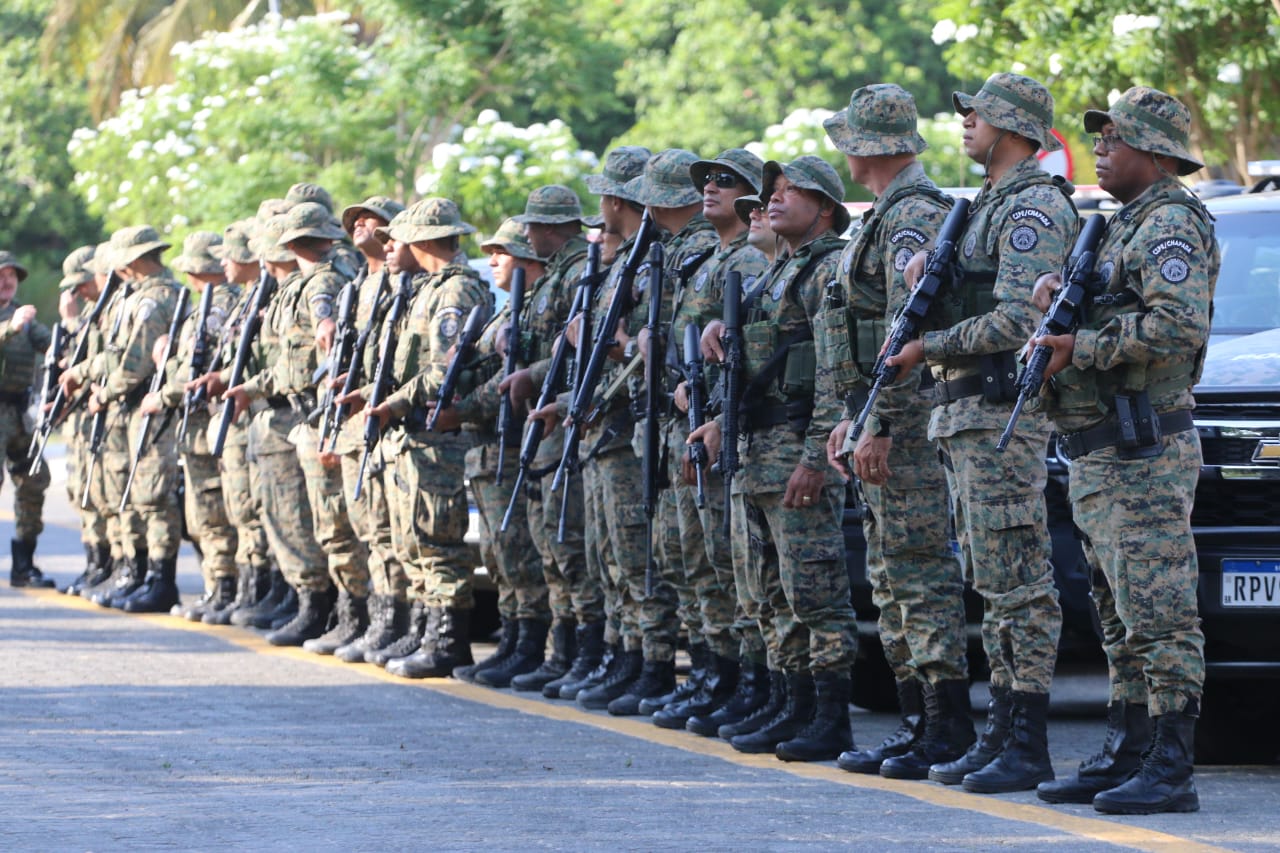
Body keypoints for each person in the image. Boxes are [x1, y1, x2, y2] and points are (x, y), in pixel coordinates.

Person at [885, 72, 1075, 793]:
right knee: (991, 584)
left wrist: (926, 348)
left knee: (1018, 584)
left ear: (1018, 129)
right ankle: (1002, 731)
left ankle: (1026, 740)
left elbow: (1020, 323)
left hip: (1000, 413)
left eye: (980, 114)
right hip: (964, 415)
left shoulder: (1031, 205)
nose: (965, 122)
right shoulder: (986, 205)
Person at [1030, 86, 1215, 815]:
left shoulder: (1169, 223)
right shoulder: (1118, 225)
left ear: (1157, 151)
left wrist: (1082, 347)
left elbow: (1176, 327)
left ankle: (1172, 764)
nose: (1101, 147)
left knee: (1159, 611)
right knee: (1119, 613)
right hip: (1102, 449)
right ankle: (1131, 745)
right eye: (1098, 137)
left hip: (1143, 448)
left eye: (1116, 137)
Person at [818, 84, 975, 779]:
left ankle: (946, 724)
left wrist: (878, 421)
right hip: (880, 418)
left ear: (869, 147)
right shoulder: (888, 214)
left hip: (905, 426)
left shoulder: (912, 215)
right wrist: (854, 418)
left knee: (916, 571)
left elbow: (903, 331)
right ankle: (919, 721)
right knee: (891, 577)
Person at [692, 155, 857, 762]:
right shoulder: (775, 274)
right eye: (775, 190)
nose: (776, 199)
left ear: (826, 210)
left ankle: (828, 715)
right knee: (771, 594)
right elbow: (762, 370)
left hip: (794, 454)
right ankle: (790, 705)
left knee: (815, 592)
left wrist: (815, 459)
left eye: (793, 191)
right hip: (756, 452)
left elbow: (835, 375)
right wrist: (716, 419)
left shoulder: (827, 272)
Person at [654, 148, 768, 732]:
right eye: (707, 182)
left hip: (723, 431)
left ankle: (746, 682)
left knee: (731, 566)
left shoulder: (749, 259)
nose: (711, 189)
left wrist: (714, 411)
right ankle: (713, 675)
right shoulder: (708, 258)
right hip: (691, 423)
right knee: (697, 561)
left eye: (726, 182)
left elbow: (746, 355)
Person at [354, 198, 490, 678]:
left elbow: (443, 370)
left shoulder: (456, 293)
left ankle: (449, 640)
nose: (390, 245)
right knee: (412, 540)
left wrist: (394, 402)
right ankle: (425, 628)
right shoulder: (422, 289)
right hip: (412, 434)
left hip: (437, 436)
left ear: (426, 240)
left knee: (437, 540)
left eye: (400, 238)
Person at [457, 217, 551, 687]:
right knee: (498, 553)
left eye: (503, 251)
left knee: (517, 551)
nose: (492, 259)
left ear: (529, 258)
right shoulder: (507, 310)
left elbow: (515, 376)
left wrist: (465, 407)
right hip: (488, 444)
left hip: (515, 442)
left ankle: (529, 643)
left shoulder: (538, 306)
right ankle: (514, 638)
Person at [75, 226, 186, 613]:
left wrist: (104, 393)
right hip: (134, 407)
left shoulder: (154, 299)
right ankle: (139, 573)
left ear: (135, 261)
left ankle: (160, 580)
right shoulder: (137, 297)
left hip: (150, 406)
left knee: (154, 496)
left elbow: (135, 361)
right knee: (134, 495)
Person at [329, 195, 414, 662]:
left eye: (373, 220)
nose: (362, 225)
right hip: (356, 417)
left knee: (392, 531)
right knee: (368, 529)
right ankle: (378, 618)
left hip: (388, 418)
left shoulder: (404, 283)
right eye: (355, 221)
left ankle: (396, 619)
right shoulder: (358, 285)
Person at [143, 231, 241, 620]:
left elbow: (192, 371)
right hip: (199, 422)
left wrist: (163, 393)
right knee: (204, 513)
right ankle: (217, 587)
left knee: (213, 513)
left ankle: (224, 586)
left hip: (207, 421)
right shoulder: (207, 304)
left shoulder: (217, 305)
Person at [0, 250, 54, 587]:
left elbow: (51, 347)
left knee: (34, 479)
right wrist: (9, 329)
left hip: (18, 413)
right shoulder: (15, 321)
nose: (6, 281)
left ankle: (24, 563)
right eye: (1, 275)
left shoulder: (25, 317)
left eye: (12, 275)